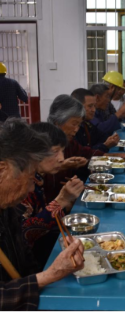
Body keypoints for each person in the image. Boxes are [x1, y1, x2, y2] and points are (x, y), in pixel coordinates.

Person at [0, 119, 84, 311]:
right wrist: (49, 275)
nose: (32, 186)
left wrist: (47, 275)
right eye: (30, 177)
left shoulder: (6, 209)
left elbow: (26, 260)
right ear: (2, 170)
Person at [17, 122, 85, 269]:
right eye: (55, 151)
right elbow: (23, 234)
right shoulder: (19, 184)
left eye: (62, 151)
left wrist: (66, 204)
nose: (61, 158)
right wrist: (61, 200)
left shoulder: (38, 177)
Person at [45, 95, 125, 202]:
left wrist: (111, 155)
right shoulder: (43, 143)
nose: (76, 129)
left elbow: (84, 152)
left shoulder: (68, 140)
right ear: (58, 122)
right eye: (74, 124)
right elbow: (41, 179)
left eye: (79, 124)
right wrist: (60, 167)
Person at [72, 88, 120, 152]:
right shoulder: (72, 129)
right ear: (78, 106)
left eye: (94, 106)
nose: (94, 110)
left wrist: (111, 139)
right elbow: (82, 154)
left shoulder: (86, 124)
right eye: (90, 106)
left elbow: (100, 136)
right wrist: (105, 145)